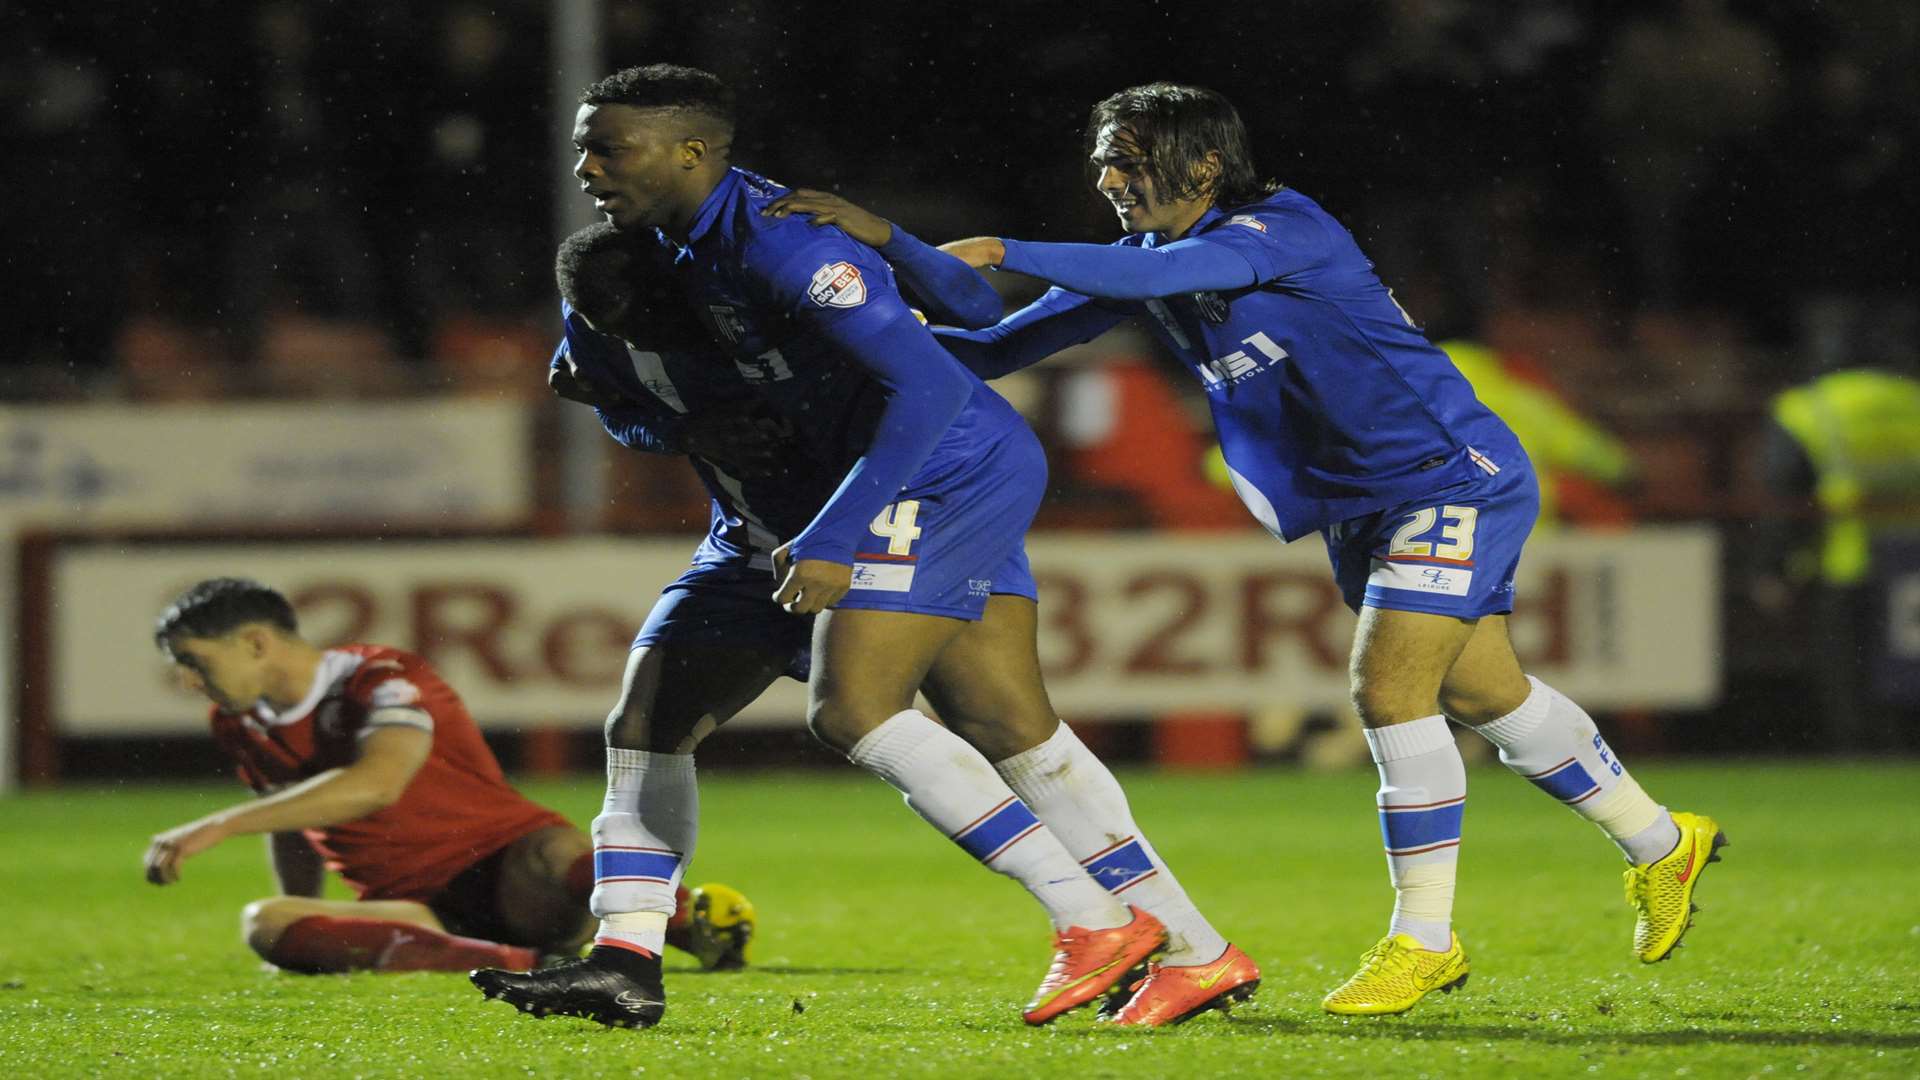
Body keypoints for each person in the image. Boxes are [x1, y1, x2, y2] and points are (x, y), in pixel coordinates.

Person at [774, 81, 1726, 1017]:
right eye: (1103, 159)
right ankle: (1658, 840)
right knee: (1484, 691)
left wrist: (1000, 247)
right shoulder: (1152, 257)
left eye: (1133, 160)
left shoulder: (1283, 229)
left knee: (1388, 691)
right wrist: (861, 306)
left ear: (1206, 164)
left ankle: (1423, 941)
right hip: (1362, 505)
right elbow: (993, 344)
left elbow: (1146, 279)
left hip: (1448, 476)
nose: (1110, 177)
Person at [472, 65, 1251, 1030]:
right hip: (777, 522)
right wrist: (684, 432)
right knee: (665, 721)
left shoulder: (788, 244)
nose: (586, 166)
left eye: (609, 146)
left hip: (923, 478)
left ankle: (1093, 920)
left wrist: (837, 531)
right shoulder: (613, 271)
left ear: (692, 150)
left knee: (854, 710)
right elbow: (631, 407)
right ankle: (625, 959)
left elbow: (931, 377)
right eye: (585, 145)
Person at [147, 577, 753, 976]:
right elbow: (293, 820)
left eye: (194, 662)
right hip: (412, 912)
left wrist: (218, 826)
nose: (188, 682)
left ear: (255, 643)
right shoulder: (239, 723)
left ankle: (686, 919)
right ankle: (523, 963)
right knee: (267, 922)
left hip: (513, 877)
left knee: (558, 849)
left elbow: (377, 784)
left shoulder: (383, 678)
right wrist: (311, 923)